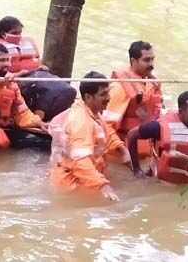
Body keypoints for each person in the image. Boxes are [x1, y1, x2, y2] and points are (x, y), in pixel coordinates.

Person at [49, 71, 131, 201]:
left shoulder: (93, 113)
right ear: (88, 97)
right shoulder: (81, 121)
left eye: (108, 93)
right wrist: (103, 186)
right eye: (103, 94)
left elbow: (106, 134)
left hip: (84, 176)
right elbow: (80, 161)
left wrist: (121, 150)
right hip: (72, 184)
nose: (109, 98)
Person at [126, 91, 188, 184]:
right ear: (181, 112)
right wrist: (137, 169)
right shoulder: (158, 127)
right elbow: (132, 135)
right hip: (162, 184)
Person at [103, 41, 163, 157]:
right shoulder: (120, 88)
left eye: (152, 59)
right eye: (146, 60)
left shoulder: (151, 83)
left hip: (147, 150)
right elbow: (107, 125)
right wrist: (122, 151)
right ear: (133, 61)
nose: (151, 64)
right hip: (123, 156)